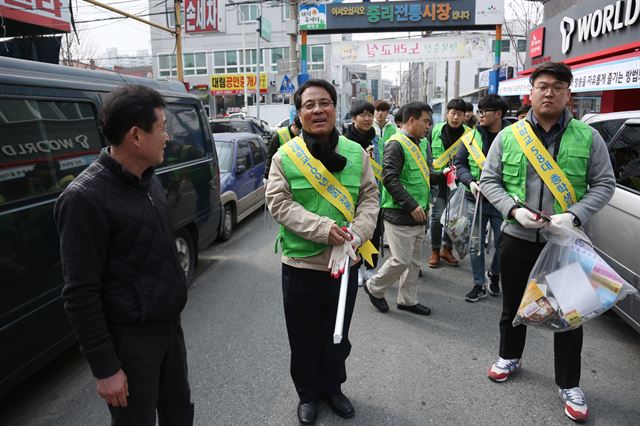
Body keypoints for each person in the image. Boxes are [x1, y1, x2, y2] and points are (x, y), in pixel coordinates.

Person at [481, 62, 615, 423]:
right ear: (531, 91)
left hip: (566, 241)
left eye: (558, 86)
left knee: (569, 313)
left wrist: (575, 215)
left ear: (568, 93)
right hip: (517, 237)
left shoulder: (588, 137)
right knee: (512, 307)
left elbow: (605, 184)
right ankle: (510, 356)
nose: (549, 92)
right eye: (542, 86)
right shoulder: (509, 136)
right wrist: (512, 210)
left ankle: (569, 383)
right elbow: (489, 179)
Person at [54, 85, 194, 426]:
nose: (169, 137)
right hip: (130, 344)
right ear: (136, 136)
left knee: (179, 413)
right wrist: (106, 368)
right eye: (162, 127)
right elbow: (80, 293)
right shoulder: (84, 199)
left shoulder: (149, 179)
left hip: (168, 330)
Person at [266, 79, 378, 425]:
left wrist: (356, 235)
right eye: (310, 105)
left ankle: (333, 388)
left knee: (338, 333)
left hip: (346, 262)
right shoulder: (285, 156)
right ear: (299, 114)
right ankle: (308, 395)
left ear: (335, 107)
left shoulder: (357, 154)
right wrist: (324, 230)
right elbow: (278, 202)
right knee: (303, 337)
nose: (318, 110)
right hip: (301, 264)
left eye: (325, 103)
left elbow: (370, 199)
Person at [363, 102, 434, 317]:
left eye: (430, 123)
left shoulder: (421, 143)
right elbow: (389, 179)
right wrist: (411, 205)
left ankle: (407, 300)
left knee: (413, 263)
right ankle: (375, 287)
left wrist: (442, 175)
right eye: (425, 121)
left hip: (420, 215)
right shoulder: (396, 144)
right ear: (411, 120)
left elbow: (424, 174)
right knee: (400, 260)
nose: (428, 126)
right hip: (400, 215)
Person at [453, 94, 510, 302]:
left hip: (504, 203)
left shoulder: (514, 136)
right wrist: (470, 182)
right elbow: (460, 164)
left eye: (484, 111)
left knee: (504, 245)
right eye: (479, 111)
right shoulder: (471, 137)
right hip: (474, 199)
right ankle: (479, 284)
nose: (480, 115)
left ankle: (495, 273)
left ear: (498, 113)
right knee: (475, 244)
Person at [343, 100, 384, 283]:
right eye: (363, 115)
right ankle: (356, 266)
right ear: (354, 118)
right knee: (354, 231)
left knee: (374, 231)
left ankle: (370, 266)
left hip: (374, 193)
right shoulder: (344, 141)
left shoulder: (377, 140)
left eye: (370, 115)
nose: (367, 119)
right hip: (351, 195)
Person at [427, 98, 470, 268]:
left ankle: (447, 249)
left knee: (454, 218)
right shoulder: (435, 130)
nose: (455, 117)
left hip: (458, 182)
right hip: (439, 180)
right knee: (437, 217)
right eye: (453, 113)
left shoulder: (469, 133)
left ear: (464, 116)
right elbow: (426, 153)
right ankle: (435, 250)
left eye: (460, 114)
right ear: (447, 113)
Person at [265, 115, 301, 180]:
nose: (300, 134)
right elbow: (270, 156)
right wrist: (266, 176)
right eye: (299, 131)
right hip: (282, 175)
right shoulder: (279, 135)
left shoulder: (303, 137)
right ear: (294, 125)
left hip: (297, 176)